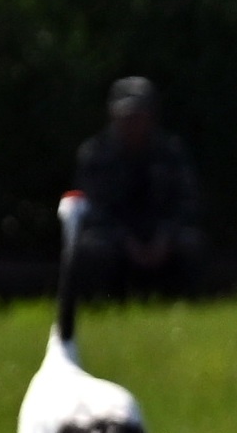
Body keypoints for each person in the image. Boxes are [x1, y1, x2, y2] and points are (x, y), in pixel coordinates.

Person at [68, 78, 205, 295]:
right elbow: (91, 209)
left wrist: (164, 236)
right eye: (126, 117)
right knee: (91, 248)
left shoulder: (170, 151)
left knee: (191, 243)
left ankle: (185, 299)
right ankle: (106, 301)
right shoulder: (95, 153)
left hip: (160, 233)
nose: (132, 123)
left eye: (138, 116)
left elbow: (187, 202)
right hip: (114, 236)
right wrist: (125, 240)